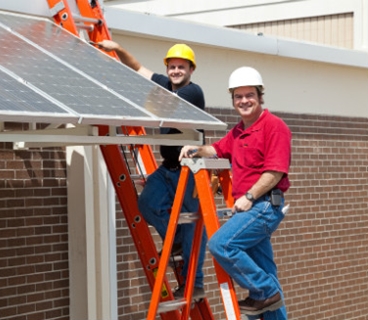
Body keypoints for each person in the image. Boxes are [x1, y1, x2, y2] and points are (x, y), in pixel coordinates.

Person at [96, 40, 207, 299]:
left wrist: (123, 92)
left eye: (181, 67)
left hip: (190, 171)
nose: (176, 71)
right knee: (147, 203)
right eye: (172, 66)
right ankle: (175, 237)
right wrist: (117, 48)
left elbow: (164, 105)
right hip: (168, 168)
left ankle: (196, 284)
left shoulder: (193, 92)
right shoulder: (165, 84)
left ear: (191, 70)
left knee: (193, 226)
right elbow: (138, 68)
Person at [179, 66, 291, 319]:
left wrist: (249, 196)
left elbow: (274, 173)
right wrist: (196, 148)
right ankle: (267, 294)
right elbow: (218, 149)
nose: (244, 101)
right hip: (251, 209)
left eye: (249, 95)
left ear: (260, 96)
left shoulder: (275, 127)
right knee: (265, 272)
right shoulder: (239, 131)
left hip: (262, 207)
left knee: (221, 243)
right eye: (238, 97)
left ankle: (265, 290)